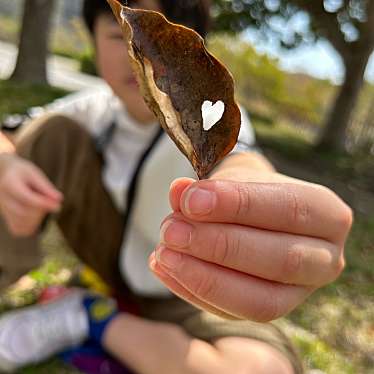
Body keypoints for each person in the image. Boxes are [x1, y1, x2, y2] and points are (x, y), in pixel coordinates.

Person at [0, 0, 352, 373]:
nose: (142, 55)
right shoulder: (92, 109)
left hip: (186, 283)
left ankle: (86, 315)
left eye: (167, 35)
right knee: (48, 134)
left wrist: (259, 199)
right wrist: (6, 166)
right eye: (121, 34)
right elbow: (9, 132)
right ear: (92, 41)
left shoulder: (211, 115)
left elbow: (240, 162)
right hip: (107, 256)